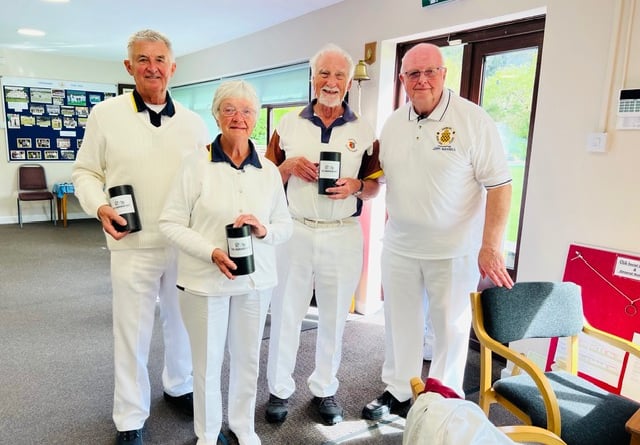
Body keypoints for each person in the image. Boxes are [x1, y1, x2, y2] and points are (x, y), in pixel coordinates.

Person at [361, 42, 514, 421]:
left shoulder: (473, 120)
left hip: (454, 250)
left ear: (445, 74)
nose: (422, 79)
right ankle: (398, 390)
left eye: (430, 71)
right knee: (400, 323)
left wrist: (490, 245)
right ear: (402, 79)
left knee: (450, 329)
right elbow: (383, 179)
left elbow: (500, 185)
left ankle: (442, 401)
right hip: (399, 246)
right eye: (413, 73)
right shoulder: (393, 123)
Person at [72, 29, 209, 445]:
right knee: (131, 331)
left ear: (172, 66)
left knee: (182, 323)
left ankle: (179, 385)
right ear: (129, 67)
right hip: (131, 244)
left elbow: (206, 180)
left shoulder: (193, 122)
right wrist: (99, 206)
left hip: (181, 244)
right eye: (143, 60)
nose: (153, 68)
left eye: (160, 59)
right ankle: (130, 416)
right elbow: (85, 173)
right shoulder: (105, 115)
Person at [159, 80, 292, 445]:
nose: (239, 117)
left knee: (248, 358)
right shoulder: (195, 165)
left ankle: (243, 427)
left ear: (255, 119)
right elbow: (169, 222)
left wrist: (263, 230)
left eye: (247, 111)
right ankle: (207, 433)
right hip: (204, 281)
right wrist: (210, 252)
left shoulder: (267, 170)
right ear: (217, 115)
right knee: (206, 362)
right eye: (230, 109)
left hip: (255, 281)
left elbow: (285, 225)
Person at [265, 43, 382, 426]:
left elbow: (375, 186)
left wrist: (355, 186)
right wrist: (287, 166)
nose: (331, 82)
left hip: (342, 233)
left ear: (349, 82)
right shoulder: (287, 124)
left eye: (339, 76)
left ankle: (325, 389)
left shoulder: (365, 131)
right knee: (286, 311)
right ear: (313, 78)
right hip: (296, 230)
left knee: (333, 314)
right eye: (324, 74)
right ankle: (279, 389)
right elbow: (264, 179)